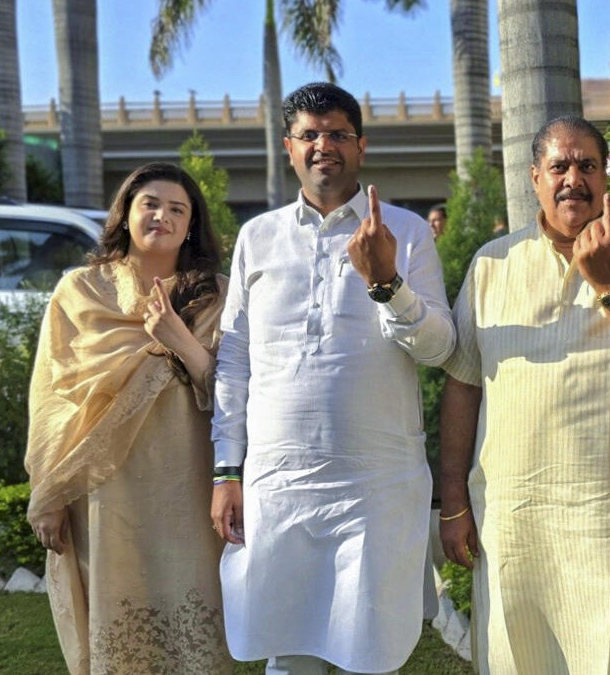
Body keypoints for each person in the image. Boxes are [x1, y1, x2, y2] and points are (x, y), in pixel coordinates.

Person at [210, 82, 455, 675]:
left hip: (374, 483)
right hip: (279, 481)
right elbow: (235, 358)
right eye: (310, 135)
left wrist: (386, 282)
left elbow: (441, 347)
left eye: (338, 134)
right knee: (288, 650)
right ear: (290, 148)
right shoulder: (257, 237)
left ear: (361, 146)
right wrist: (225, 468)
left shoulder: (405, 232)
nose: (325, 146)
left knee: (368, 649)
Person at [438, 115, 610, 674]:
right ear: (534, 178)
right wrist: (453, 502)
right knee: (517, 654)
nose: (572, 178)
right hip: (516, 516)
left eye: (587, 166)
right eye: (559, 166)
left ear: (606, 179)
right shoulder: (491, 263)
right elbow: (463, 385)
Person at [25, 162, 232, 674]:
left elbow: (234, 394)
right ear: (126, 214)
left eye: (177, 209)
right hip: (103, 490)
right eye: (151, 204)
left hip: (188, 485)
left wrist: (177, 338)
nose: (162, 215)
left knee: (192, 634)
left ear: (191, 226)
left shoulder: (217, 295)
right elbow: (51, 400)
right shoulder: (80, 291)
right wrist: (49, 493)